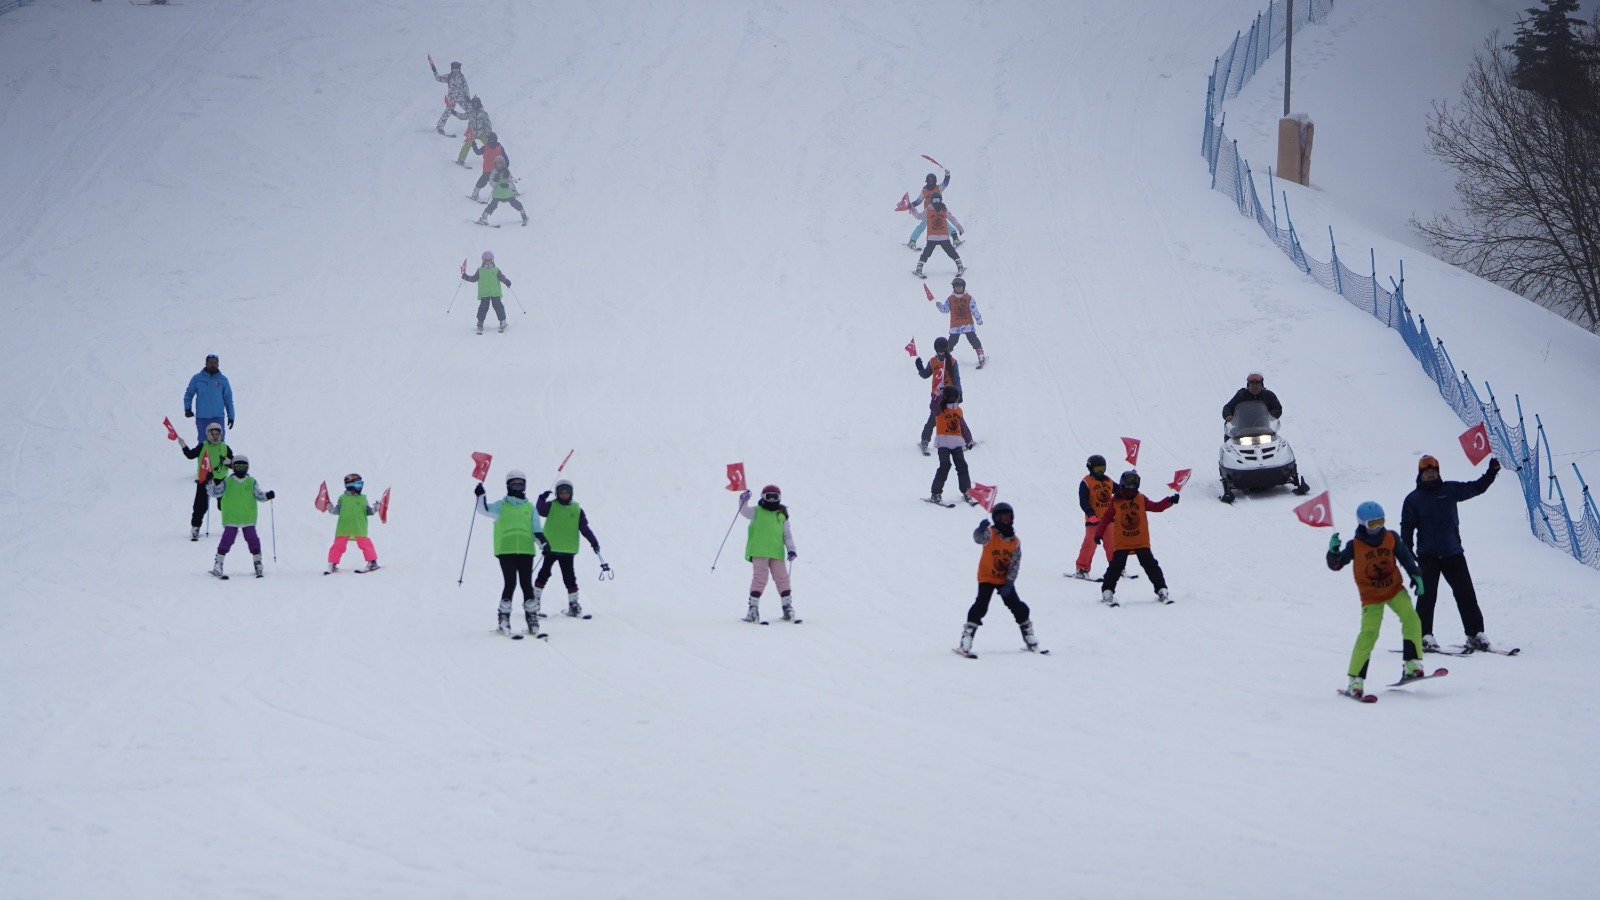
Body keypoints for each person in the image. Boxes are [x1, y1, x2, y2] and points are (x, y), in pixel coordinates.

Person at [1401, 454, 1501, 652]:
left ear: (1438, 473)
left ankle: (1474, 634)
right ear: (1420, 475)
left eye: (1433, 471)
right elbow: (1407, 527)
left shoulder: (1450, 490)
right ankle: (1423, 636)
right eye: (1426, 472)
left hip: (1452, 552)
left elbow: (1476, 487)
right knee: (1427, 596)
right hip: (1428, 554)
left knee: (1466, 594)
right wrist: (1409, 552)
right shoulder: (1413, 499)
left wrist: (1491, 473)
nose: (1430, 474)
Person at [1327, 501, 1427, 698]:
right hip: (1371, 597)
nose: (1378, 528)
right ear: (1362, 523)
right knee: (1369, 634)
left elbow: (1405, 557)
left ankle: (1412, 664)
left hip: (1394, 589)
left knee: (1412, 619)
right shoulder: (1355, 546)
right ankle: (1355, 680)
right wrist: (1333, 552)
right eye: (1373, 524)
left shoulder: (1391, 537)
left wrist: (1416, 574)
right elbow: (1336, 565)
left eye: (1381, 522)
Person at [956, 503, 1041, 656]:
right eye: (1002, 517)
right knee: (981, 606)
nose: (1005, 521)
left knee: (1017, 607)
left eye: (1008, 517)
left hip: (1004, 580)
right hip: (987, 577)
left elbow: (1015, 564)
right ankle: (966, 638)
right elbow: (979, 539)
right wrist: (980, 529)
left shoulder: (1015, 541)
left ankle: (1028, 634)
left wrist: (1009, 583)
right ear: (995, 519)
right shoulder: (991, 533)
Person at [474, 469, 546, 636]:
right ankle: (504, 620)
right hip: (506, 550)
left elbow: (536, 530)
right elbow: (483, 510)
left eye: (521, 484)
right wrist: (480, 495)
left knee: (527, 585)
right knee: (510, 583)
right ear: (508, 485)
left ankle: (532, 619)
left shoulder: (529, 507)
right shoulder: (501, 506)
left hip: (526, 551)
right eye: (514, 484)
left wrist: (544, 545)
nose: (518, 487)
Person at [1093, 471, 1177, 605]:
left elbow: (1156, 507)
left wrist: (1169, 501)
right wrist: (1098, 533)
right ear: (1122, 485)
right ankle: (1107, 591)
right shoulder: (1116, 501)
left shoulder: (1140, 498)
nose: (1131, 490)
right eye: (1128, 487)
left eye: (1134, 486)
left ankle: (1161, 589)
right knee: (1116, 567)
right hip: (1122, 541)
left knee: (1150, 565)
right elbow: (1106, 518)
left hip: (1140, 540)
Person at [535, 478, 606, 619]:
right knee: (544, 573)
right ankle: (535, 602)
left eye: (567, 492)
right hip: (551, 548)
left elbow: (585, 529)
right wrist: (541, 498)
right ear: (557, 493)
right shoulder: (551, 506)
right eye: (561, 492)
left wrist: (594, 543)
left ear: (571, 493)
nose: (564, 494)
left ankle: (573, 604)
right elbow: (540, 510)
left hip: (567, 550)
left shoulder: (577, 510)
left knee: (569, 577)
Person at [738, 484, 798, 623]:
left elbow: (787, 535)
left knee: (783, 578)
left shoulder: (781, 515)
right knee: (760, 578)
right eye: (768, 497)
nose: (771, 500)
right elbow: (744, 511)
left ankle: (787, 608)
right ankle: (753, 609)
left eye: (774, 497)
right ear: (762, 498)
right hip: (759, 551)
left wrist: (791, 549)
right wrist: (743, 499)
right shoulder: (756, 511)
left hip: (776, 552)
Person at [207, 455, 274, 579]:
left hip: (248, 517)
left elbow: (259, 495)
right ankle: (218, 563)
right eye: (238, 467)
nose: (241, 470)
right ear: (233, 467)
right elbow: (215, 493)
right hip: (231, 517)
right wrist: (210, 482)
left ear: (247, 468)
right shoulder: (228, 481)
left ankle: (257, 562)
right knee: (227, 540)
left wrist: (267, 496)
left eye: (243, 467)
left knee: (252, 539)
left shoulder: (251, 481)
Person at [178, 422, 232, 540]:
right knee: (200, 505)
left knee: (224, 503)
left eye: (217, 434)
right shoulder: (203, 445)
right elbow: (191, 455)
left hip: (221, 479)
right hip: (204, 479)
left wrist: (229, 462)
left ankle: (229, 525)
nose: (215, 436)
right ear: (208, 434)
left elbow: (233, 464)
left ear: (221, 434)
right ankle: (195, 527)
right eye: (212, 434)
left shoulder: (224, 446)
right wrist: (184, 446)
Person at [914, 336, 966, 454]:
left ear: (947, 348)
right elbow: (925, 374)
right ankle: (925, 440)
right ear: (935, 349)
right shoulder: (933, 361)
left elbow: (957, 379)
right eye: (939, 349)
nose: (941, 351)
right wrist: (919, 367)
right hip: (937, 395)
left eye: (943, 348)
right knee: (933, 418)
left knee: (956, 416)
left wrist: (960, 393)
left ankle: (965, 439)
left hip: (951, 394)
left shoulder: (952, 361)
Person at [928, 384, 976, 506]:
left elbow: (963, 426)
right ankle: (935, 494)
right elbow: (932, 405)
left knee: (962, 466)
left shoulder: (958, 411)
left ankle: (966, 491)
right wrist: (936, 394)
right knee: (945, 466)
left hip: (956, 444)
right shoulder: (940, 409)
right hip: (943, 444)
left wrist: (968, 440)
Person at [324, 473, 380, 574]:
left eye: (361, 484)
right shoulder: (342, 498)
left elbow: (368, 511)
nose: (360, 487)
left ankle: (372, 562)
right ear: (349, 485)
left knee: (365, 544)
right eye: (358, 484)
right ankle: (332, 564)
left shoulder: (363, 498)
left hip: (359, 526)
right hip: (344, 527)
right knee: (338, 546)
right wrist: (331, 508)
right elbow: (337, 511)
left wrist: (375, 509)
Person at [1072, 454, 1115, 578]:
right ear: (1090, 468)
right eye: (1097, 469)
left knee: (1112, 544)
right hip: (1094, 521)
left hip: (1109, 520)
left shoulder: (1108, 481)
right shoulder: (1086, 482)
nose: (1100, 471)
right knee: (1089, 544)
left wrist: (1129, 480)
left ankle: (1117, 567)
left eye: (1102, 468)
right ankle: (1082, 568)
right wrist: (1090, 513)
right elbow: (1083, 501)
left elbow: (1120, 490)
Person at [909, 193, 965, 279]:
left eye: (938, 200)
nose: (936, 202)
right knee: (927, 253)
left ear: (941, 200)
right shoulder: (928, 210)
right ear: (931, 201)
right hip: (932, 237)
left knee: (951, 251)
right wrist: (913, 209)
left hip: (943, 236)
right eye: (934, 200)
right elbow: (919, 216)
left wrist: (959, 227)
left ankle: (959, 264)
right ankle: (919, 267)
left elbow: (952, 219)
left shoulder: (944, 209)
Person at [183, 353, 235, 442]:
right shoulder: (197, 378)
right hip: (202, 417)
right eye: (210, 362)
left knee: (219, 442)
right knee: (203, 444)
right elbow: (189, 394)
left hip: (218, 417)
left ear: (218, 364)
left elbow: (228, 400)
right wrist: (187, 409)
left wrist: (231, 416)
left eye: (215, 363)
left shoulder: (223, 380)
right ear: (206, 363)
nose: (213, 365)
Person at [936, 276, 986, 368]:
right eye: (956, 286)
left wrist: (978, 319)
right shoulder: (950, 299)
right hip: (956, 325)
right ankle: (943, 358)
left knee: (973, 339)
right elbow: (945, 310)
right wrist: (940, 306)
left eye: (960, 286)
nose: (958, 288)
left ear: (963, 287)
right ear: (954, 287)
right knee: (951, 342)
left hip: (968, 324)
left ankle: (981, 355)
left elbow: (974, 309)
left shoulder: (968, 298)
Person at [460, 250, 512, 333]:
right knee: (483, 308)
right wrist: (466, 277)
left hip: (495, 293)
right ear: (483, 260)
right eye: (486, 260)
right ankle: (480, 322)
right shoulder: (480, 270)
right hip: (484, 293)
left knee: (498, 307)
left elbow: (502, 277)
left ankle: (503, 321)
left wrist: (506, 281)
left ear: (492, 260)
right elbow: (474, 279)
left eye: (489, 260)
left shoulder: (496, 270)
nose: (488, 262)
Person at [475, 155, 529, 228]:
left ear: (503, 163)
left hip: (507, 194)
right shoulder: (494, 172)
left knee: (515, 203)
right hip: (497, 194)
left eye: (500, 163)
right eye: (497, 163)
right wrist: (495, 181)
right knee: (492, 205)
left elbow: (511, 182)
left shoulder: (507, 171)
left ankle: (523, 215)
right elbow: (491, 183)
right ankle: (484, 217)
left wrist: (507, 185)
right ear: (495, 164)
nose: (498, 165)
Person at [905, 168, 951, 249]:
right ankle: (912, 241)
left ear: (935, 181)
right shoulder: (924, 190)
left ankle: (955, 238)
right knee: (921, 227)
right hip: (928, 213)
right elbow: (918, 201)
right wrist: (911, 205)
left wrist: (947, 175)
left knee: (945, 224)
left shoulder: (938, 188)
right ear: (927, 181)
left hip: (938, 211)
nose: (931, 183)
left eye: (932, 181)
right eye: (929, 181)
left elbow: (945, 183)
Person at [430, 59, 470, 135]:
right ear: (452, 69)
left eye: (457, 69)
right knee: (448, 112)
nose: (456, 71)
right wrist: (434, 69)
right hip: (452, 99)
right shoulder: (449, 77)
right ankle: (440, 126)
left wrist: (467, 96)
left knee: (470, 110)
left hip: (461, 98)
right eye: (454, 69)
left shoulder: (462, 77)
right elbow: (438, 78)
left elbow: (465, 87)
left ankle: (476, 124)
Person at [451, 96, 493, 166]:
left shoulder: (484, 114)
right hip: (472, 133)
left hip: (482, 133)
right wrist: (455, 113)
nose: (476, 106)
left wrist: (488, 134)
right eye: (474, 104)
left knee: (488, 145)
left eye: (477, 104)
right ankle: (461, 159)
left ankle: (492, 159)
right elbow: (463, 116)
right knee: (467, 145)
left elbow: (488, 124)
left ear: (479, 104)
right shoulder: (471, 112)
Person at [469, 132, 509, 202]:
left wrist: (506, 165)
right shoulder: (487, 147)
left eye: (493, 140)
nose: (492, 142)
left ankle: (511, 191)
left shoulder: (498, 147)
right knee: (483, 181)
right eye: (490, 140)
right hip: (489, 169)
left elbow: (505, 156)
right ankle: (475, 193)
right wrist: (474, 145)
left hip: (497, 168)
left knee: (504, 178)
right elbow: (478, 152)